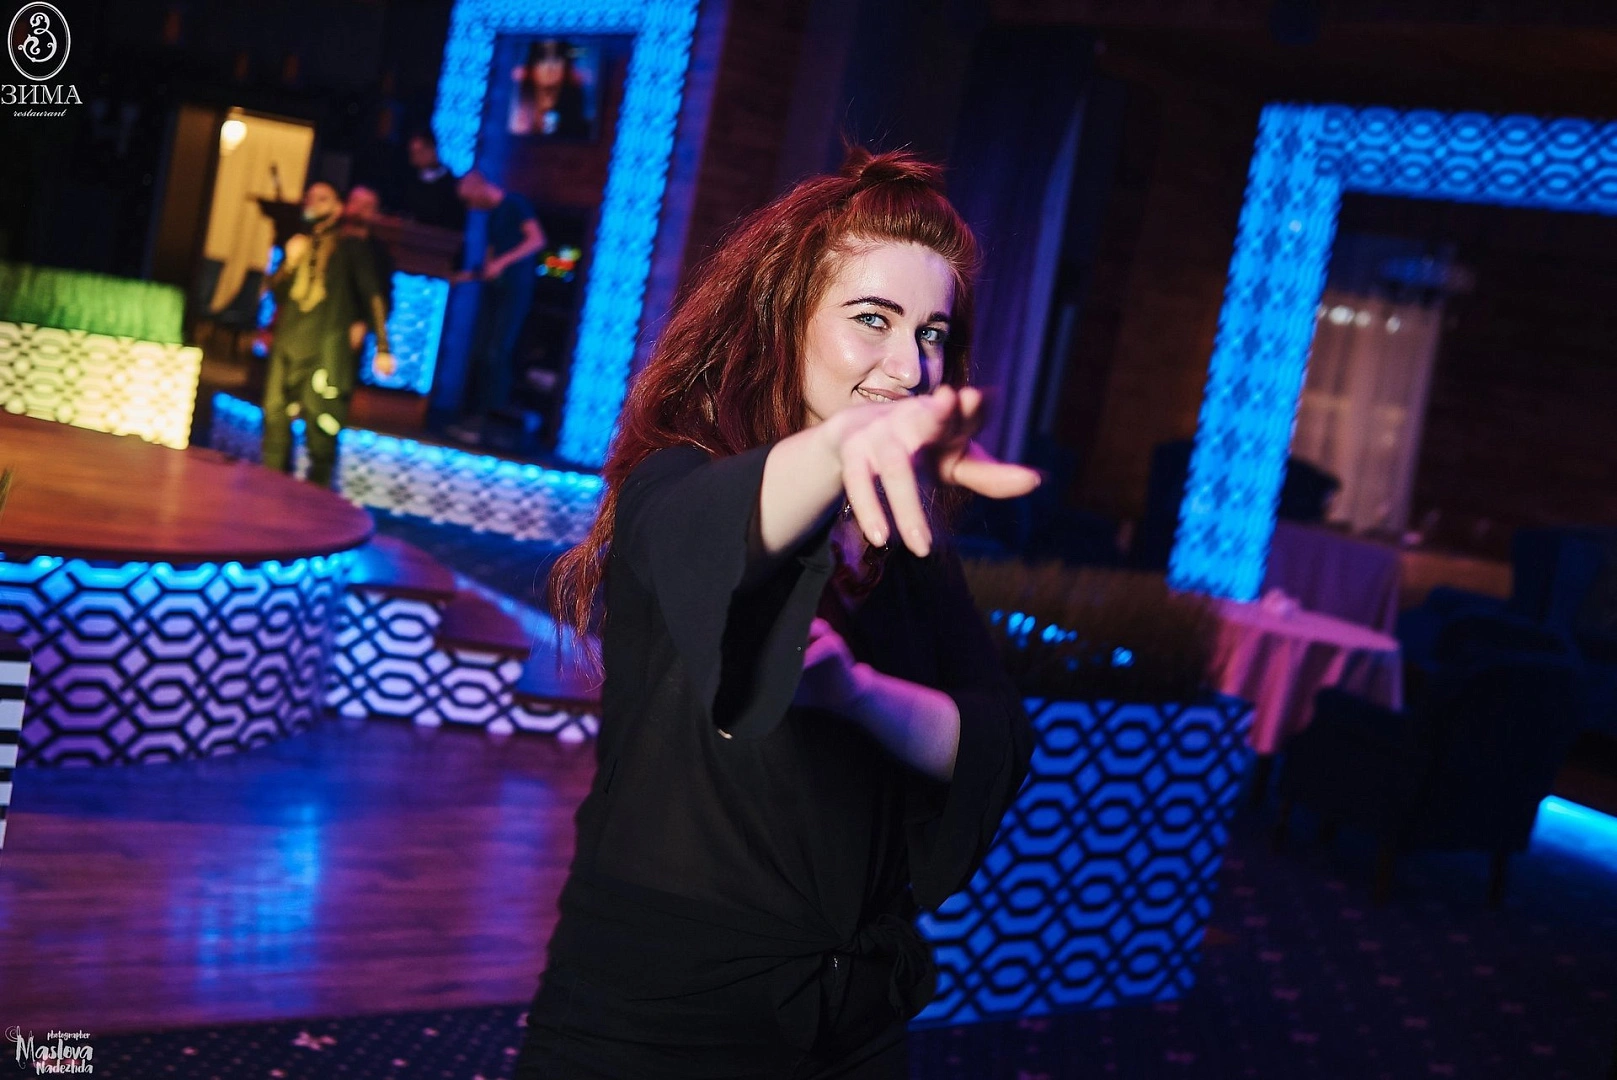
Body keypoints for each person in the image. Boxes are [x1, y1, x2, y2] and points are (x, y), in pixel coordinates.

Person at [519, 148, 1042, 1078]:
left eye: (930, 333)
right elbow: (707, 534)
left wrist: (858, 695)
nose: (908, 366)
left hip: (851, 1017)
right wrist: (843, 442)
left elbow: (994, 740)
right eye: (871, 319)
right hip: (659, 1016)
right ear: (781, 319)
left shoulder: (904, 541)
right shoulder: (676, 478)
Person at [261, 181, 395, 487]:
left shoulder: (352, 248)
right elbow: (277, 293)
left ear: (337, 207)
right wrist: (288, 263)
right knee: (275, 416)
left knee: (321, 427)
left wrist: (382, 345)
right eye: (309, 197)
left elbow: (373, 294)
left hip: (325, 346)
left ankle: (317, 502)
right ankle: (269, 489)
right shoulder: (299, 243)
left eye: (322, 199)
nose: (312, 203)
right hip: (290, 340)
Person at [449, 170, 545, 443]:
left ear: (479, 188)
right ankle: (475, 417)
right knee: (481, 350)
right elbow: (489, 263)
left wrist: (503, 262)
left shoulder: (514, 204)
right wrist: (468, 276)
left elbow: (536, 240)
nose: (471, 207)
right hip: (496, 290)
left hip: (514, 289)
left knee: (497, 351)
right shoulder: (492, 217)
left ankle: (487, 421)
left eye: (470, 199)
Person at [508, 37, 590, 139]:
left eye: (557, 57)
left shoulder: (584, 130)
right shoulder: (514, 122)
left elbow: (586, 51)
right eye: (541, 57)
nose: (550, 68)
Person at [401, 129, 466, 232]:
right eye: (413, 153)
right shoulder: (410, 182)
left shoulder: (451, 185)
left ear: (432, 149)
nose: (415, 158)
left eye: (420, 152)